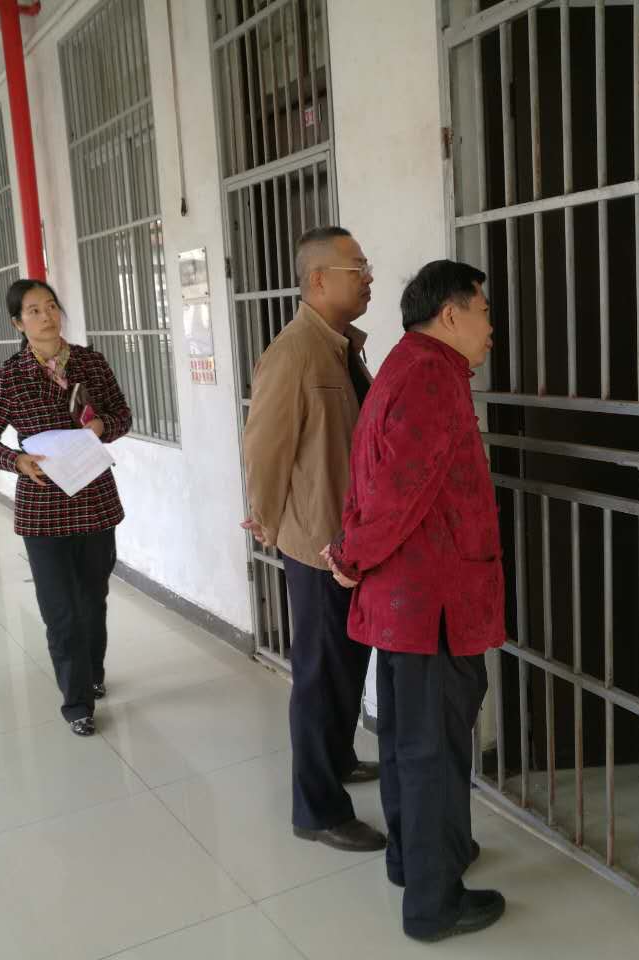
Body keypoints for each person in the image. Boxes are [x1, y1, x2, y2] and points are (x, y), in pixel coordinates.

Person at [323, 260, 506, 942]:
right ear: (451, 315)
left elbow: (371, 482)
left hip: (408, 603)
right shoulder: (431, 378)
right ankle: (434, 904)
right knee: (431, 753)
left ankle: (417, 859)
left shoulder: (409, 365)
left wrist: (351, 550)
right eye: (483, 311)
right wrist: (349, 556)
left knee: (407, 744)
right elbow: (398, 494)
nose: (491, 327)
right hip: (432, 606)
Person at [241, 226, 385, 852]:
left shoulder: (342, 348)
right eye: (358, 267)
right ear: (319, 279)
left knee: (345, 666)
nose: (368, 277)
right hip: (318, 544)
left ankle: (338, 758)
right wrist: (269, 521)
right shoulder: (294, 352)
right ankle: (317, 810)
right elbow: (263, 448)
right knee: (321, 675)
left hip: (348, 542)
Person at [0, 279, 132, 736]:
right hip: (42, 510)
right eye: (34, 311)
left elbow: (123, 415)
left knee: (92, 599)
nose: (47, 316)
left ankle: (92, 673)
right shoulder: (11, 375)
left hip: (95, 501)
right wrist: (16, 461)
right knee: (61, 610)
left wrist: (103, 425)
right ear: (18, 323)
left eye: (52, 306)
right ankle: (76, 703)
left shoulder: (91, 363)